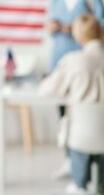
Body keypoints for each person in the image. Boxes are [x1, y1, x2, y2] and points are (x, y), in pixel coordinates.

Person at [48, 0, 104, 179]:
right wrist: (55, 28)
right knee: (65, 115)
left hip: (87, 65)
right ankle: (70, 161)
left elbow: (99, 26)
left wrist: (72, 29)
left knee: (88, 114)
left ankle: (92, 167)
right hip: (61, 63)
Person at [40, 14, 104, 195]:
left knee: (77, 129)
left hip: (81, 137)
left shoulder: (73, 61)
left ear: (78, 36)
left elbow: (47, 89)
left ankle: (80, 185)